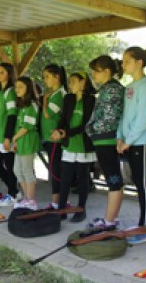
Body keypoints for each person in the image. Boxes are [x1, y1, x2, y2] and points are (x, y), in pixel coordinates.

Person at [116, 47, 146, 244]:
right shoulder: (131, 86)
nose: (123, 65)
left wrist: (128, 140)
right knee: (138, 183)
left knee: (145, 185)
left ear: (139, 62)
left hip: (142, 142)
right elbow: (125, 115)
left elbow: (143, 119)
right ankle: (142, 223)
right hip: (130, 143)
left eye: (127, 61)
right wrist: (120, 137)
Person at [85, 55, 124, 230]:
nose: (93, 74)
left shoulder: (112, 89)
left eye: (96, 70)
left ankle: (109, 221)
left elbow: (110, 118)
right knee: (113, 180)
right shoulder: (108, 88)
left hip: (106, 139)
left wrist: (90, 129)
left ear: (107, 71)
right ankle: (110, 218)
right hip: (104, 139)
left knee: (113, 181)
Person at [51, 72, 96, 222]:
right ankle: (61, 209)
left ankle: (80, 209)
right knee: (65, 178)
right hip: (69, 145)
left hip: (84, 145)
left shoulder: (91, 100)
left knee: (83, 179)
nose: (70, 85)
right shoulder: (68, 98)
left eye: (74, 82)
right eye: (69, 82)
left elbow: (86, 125)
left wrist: (66, 133)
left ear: (83, 83)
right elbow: (64, 118)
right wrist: (58, 130)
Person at [0, 63, 21, 207]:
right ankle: (14, 189)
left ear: (9, 74)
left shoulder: (10, 92)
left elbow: (12, 115)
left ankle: (12, 194)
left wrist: (8, 137)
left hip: (6, 136)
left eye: (2, 72)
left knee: (9, 166)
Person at [12, 76, 41, 210]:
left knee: (27, 171)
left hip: (28, 140)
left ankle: (31, 201)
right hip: (20, 140)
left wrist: (14, 138)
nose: (17, 89)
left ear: (28, 88)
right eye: (16, 87)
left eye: (21, 87)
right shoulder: (22, 104)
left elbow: (27, 127)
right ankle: (27, 198)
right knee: (17, 170)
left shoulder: (32, 105)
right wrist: (16, 140)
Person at [41, 64, 67, 210]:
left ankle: (57, 202)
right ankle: (56, 201)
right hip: (49, 138)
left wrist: (44, 101)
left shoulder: (59, 95)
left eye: (47, 76)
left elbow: (47, 114)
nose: (45, 80)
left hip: (55, 139)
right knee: (53, 169)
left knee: (56, 171)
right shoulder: (53, 93)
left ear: (57, 77)